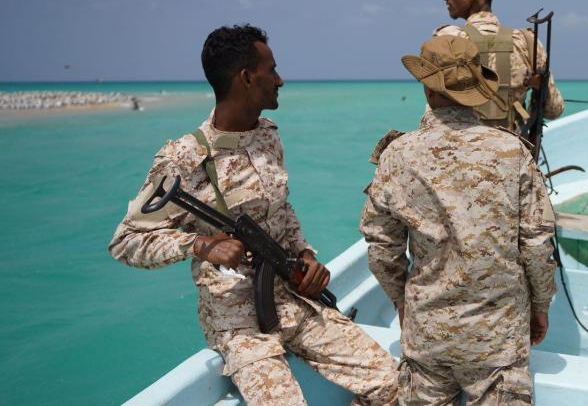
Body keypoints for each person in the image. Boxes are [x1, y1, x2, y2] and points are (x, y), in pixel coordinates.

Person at [108, 25, 398, 406]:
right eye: (271, 70)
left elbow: (282, 210)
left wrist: (306, 256)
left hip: (292, 300)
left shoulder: (267, 136)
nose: (280, 80)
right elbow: (125, 242)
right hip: (239, 326)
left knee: (397, 385)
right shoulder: (184, 158)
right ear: (246, 77)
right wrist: (200, 245)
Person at [359, 35, 557, 405]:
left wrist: (403, 303)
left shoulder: (397, 156)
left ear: (427, 88)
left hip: (427, 338)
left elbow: (382, 250)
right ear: (476, 90)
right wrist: (541, 306)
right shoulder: (512, 152)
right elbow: (536, 245)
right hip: (498, 341)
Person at [434, 0, 564, 131]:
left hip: (461, 147)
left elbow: (434, 113)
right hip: (512, 147)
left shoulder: (447, 40)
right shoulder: (527, 43)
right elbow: (554, 109)